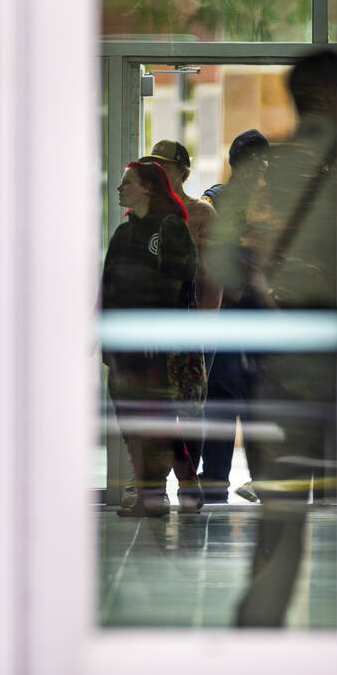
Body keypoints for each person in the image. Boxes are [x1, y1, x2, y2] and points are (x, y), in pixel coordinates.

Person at [217, 51, 337, 626]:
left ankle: (257, 626)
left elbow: (220, 263)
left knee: (283, 507)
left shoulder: (261, 169)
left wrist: (268, 286)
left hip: (287, 356)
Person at [101, 159, 202, 517]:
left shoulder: (171, 228)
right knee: (132, 421)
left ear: (147, 188)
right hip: (124, 346)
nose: (119, 188)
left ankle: (168, 490)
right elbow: (108, 290)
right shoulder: (124, 233)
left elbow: (179, 284)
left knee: (155, 421)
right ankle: (164, 491)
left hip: (156, 346)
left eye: (126, 182)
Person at [141, 140, 218, 511]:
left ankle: (189, 480)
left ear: (183, 173)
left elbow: (213, 276)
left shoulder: (201, 214)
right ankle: (153, 485)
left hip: (191, 324)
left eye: (166, 166)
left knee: (189, 409)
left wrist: (204, 324)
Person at [198, 129, 270, 504]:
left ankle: (215, 483)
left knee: (228, 401)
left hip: (236, 315)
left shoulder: (216, 200)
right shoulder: (219, 202)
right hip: (238, 313)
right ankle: (226, 482)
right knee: (239, 398)